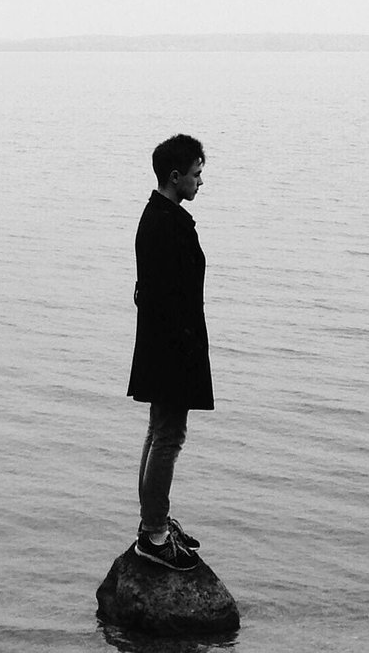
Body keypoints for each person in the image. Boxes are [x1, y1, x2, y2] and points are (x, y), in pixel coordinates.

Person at [126, 133, 213, 571]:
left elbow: (148, 293)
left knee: (159, 433)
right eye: (197, 175)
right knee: (168, 437)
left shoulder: (158, 216)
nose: (201, 183)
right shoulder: (165, 224)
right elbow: (163, 296)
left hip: (162, 346)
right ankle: (154, 534)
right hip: (172, 349)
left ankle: (152, 524)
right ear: (175, 176)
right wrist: (185, 355)